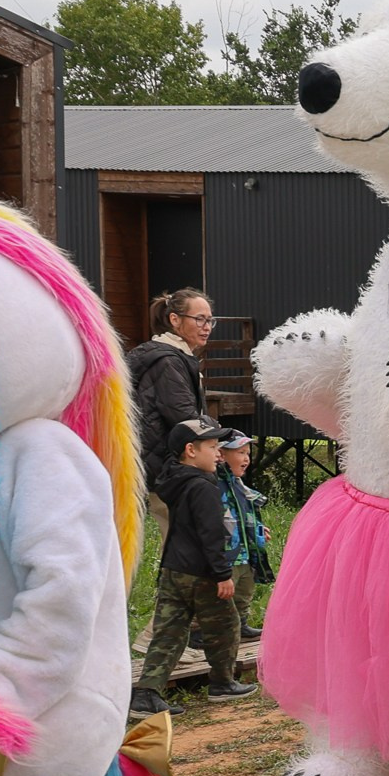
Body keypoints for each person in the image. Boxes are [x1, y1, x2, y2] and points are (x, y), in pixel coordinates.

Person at [134, 416, 256, 715]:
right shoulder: (204, 487)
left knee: (170, 632)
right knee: (226, 626)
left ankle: (146, 694)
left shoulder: (173, 480)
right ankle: (222, 683)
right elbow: (211, 533)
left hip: (173, 569)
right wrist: (222, 574)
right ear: (190, 450)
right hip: (202, 572)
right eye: (213, 446)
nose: (218, 453)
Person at [127, 289, 212, 486]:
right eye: (199, 319)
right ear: (175, 319)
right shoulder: (167, 361)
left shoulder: (169, 354)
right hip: (167, 466)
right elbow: (183, 416)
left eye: (209, 320)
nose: (206, 327)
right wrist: (218, 435)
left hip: (164, 462)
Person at [216, 430, 271, 641]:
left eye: (248, 453)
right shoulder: (216, 484)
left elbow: (245, 512)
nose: (246, 458)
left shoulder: (239, 485)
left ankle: (242, 624)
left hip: (246, 550)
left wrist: (258, 528)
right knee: (224, 596)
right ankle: (217, 631)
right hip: (229, 553)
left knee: (245, 589)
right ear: (221, 455)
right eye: (240, 452)